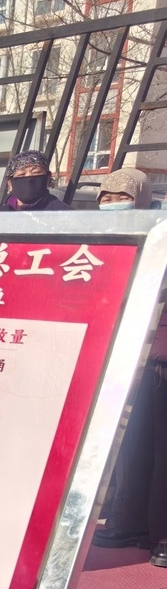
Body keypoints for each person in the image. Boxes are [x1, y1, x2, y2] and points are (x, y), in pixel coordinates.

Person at [90, 169, 166, 563]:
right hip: (126, 353)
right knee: (130, 445)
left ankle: (159, 532)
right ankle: (128, 520)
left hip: (156, 353)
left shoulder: (160, 235)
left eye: (122, 196)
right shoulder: (102, 236)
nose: (112, 203)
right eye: (106, 196)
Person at [0, 151, 71, 211]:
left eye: (36, 172)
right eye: (21, 174)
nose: (29, 177)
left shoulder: (64, 214)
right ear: (10, 183)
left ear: (48, 178)